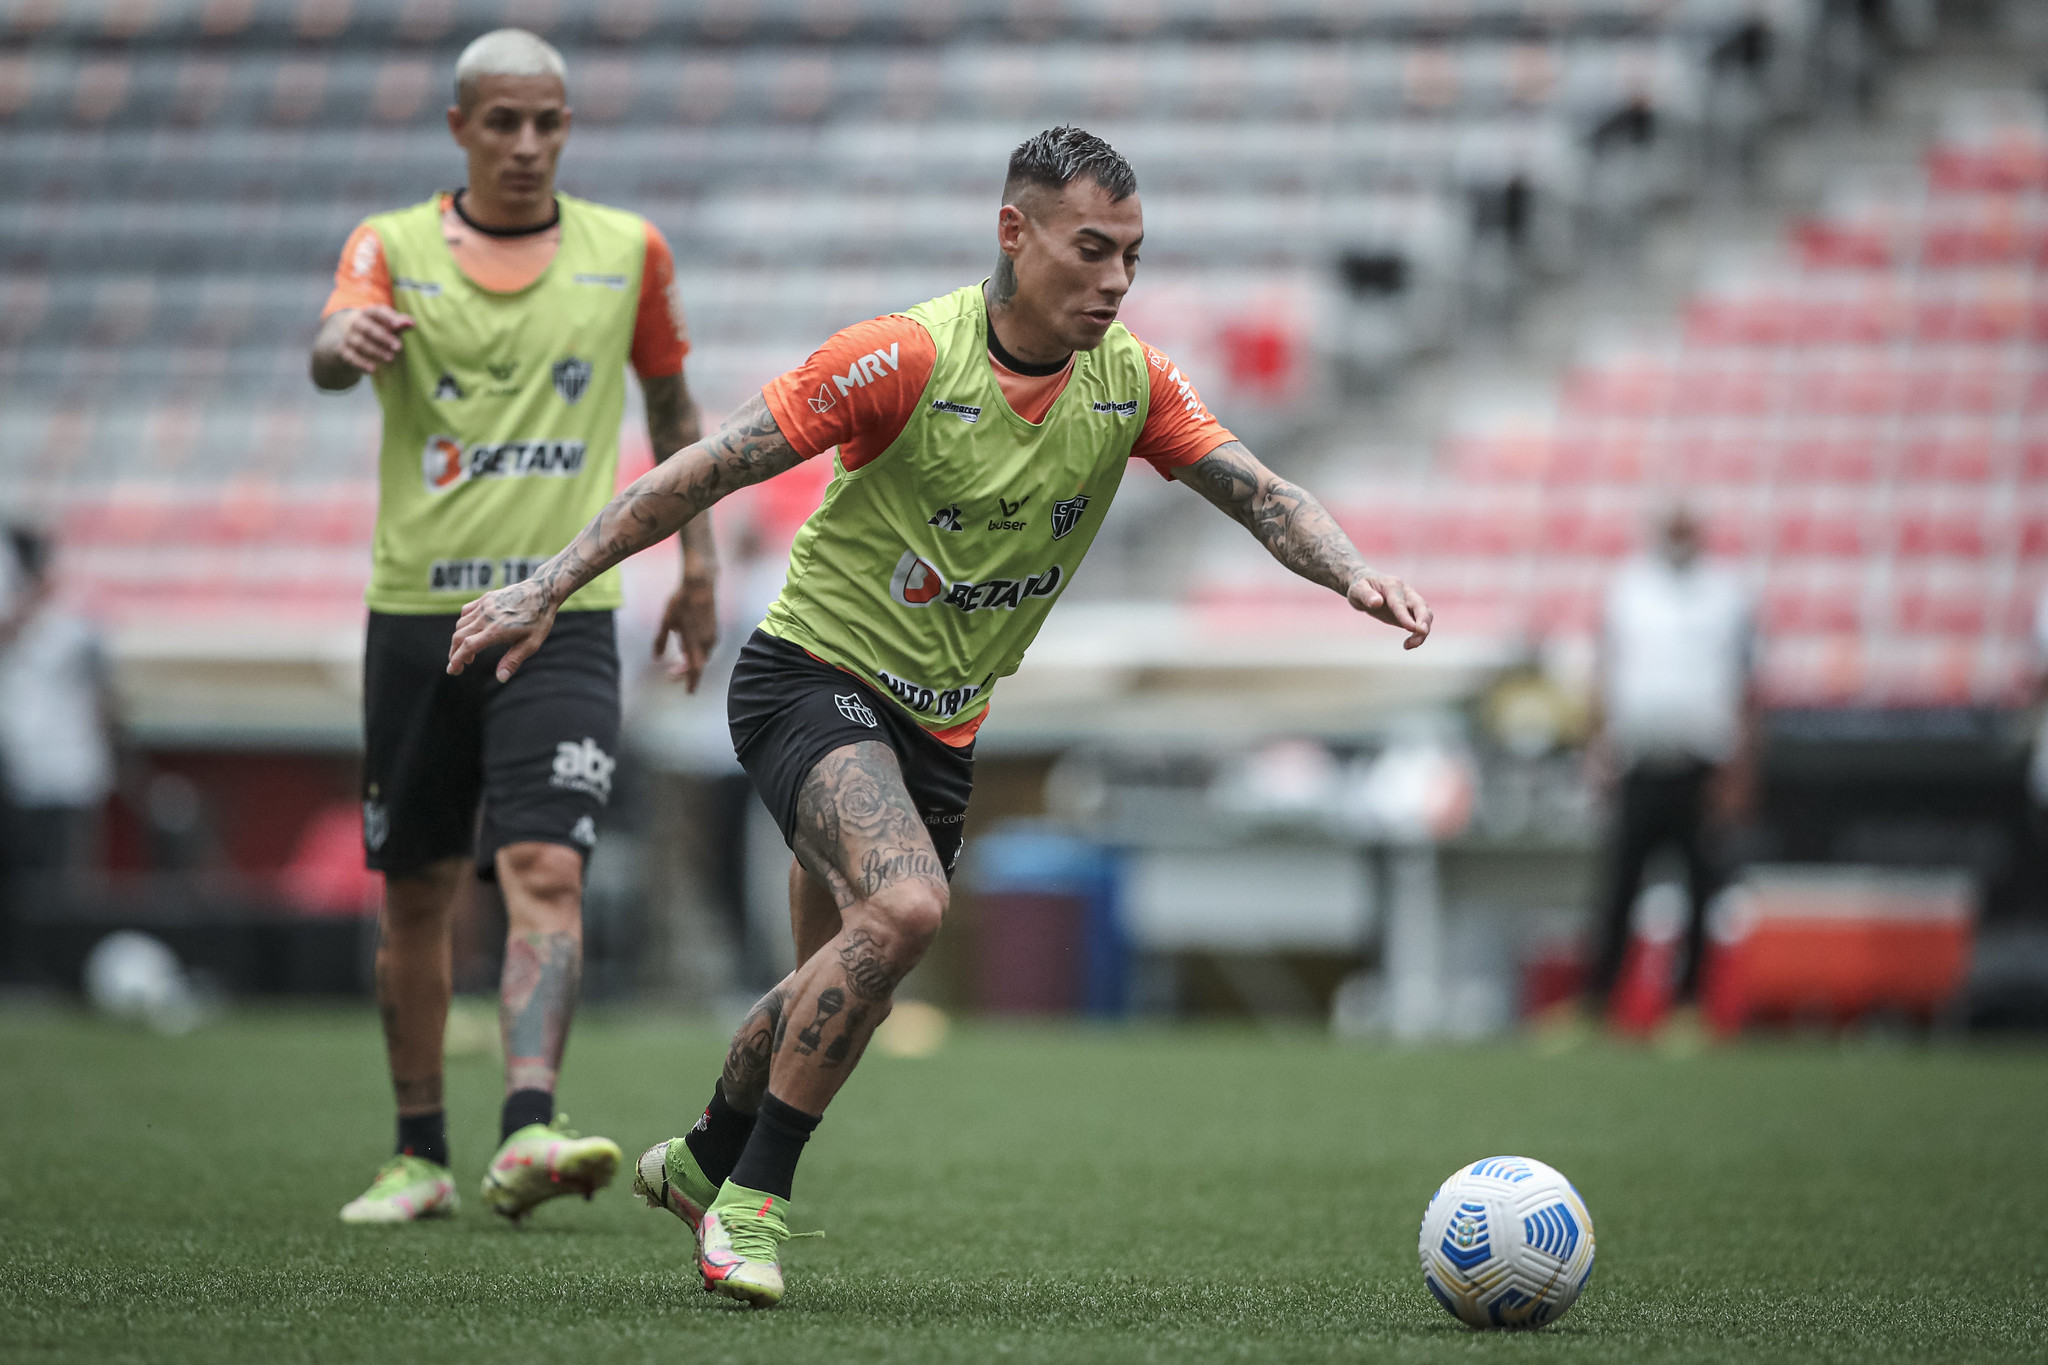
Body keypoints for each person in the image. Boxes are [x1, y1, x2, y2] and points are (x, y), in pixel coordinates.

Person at [447, 126, 1432, 1304]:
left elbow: (1263, 494)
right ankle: (749, 1209)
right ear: (1013, 234)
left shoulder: (1131, 384)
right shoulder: (901, 358)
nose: (1115, 280)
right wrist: (547, 584)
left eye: (1132, 254)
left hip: (945, 728)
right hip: (810, 675)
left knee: (839, 982)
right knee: (908, 908)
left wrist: (1352, 575)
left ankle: (703, 1158)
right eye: (1090, 251)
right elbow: (705, 468)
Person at [309, 29, 718, 1225]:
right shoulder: (386, 248)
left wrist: (694, 565)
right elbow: (330, 349)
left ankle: (530, 1125)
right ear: (459, 129)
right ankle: (417, 1153)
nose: (528, 145)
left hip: (562, 612)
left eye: (549, 122)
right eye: (503, 122)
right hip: (419, 616)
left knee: (545, 864)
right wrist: (344, 342)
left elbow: (675, 409)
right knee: (420, 888)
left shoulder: (627, 251)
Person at [1578, 505, 1755, 1042]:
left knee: (1700, 888)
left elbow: (1748, 685)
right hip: (1639, 757)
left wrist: (1741, 768)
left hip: (1701, 761)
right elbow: (1606, 670)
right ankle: (1599, 1005)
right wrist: (1598, 746)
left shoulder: (1729, 594)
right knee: (1619, 887)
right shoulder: (1629, 588)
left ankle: (1690, 1008)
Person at [0, 526, 118, 955]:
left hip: (63, 772)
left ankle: (53, 965)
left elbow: (105, 696)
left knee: (55, 884)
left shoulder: (75, 625)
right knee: (19, 881)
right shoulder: (22, 620)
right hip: (16, 768)